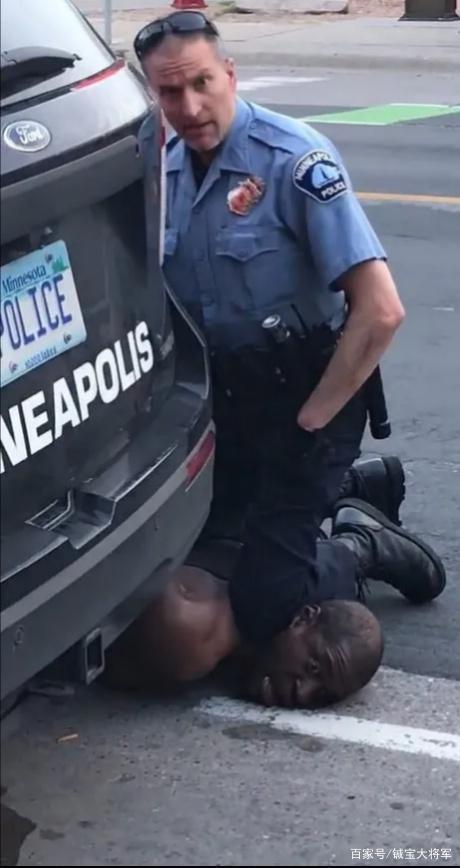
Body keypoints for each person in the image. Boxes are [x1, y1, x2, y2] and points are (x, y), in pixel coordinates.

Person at [127, 12, 446, 705]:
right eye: (170, 92)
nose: (189, 107)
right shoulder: (161, 169)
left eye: (202, 84)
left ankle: (358, 543)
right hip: (225, 406)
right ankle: (345, 488)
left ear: (229, 74)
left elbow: (381, 310)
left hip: (311, 400)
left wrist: (313, 423)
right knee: (198, 543)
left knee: (266, 601)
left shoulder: (294, 161)